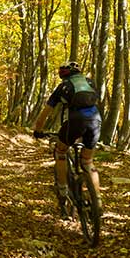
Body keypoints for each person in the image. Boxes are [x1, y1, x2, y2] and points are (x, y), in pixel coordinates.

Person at [32, 60, 102, 216]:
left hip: (75, 121)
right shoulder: (90, 82)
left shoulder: (62, 87)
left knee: (61, 152)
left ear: (63, 74)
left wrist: (38, 130)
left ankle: (62, 191)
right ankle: (97, 200)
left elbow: (46, 112)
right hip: (96, 120)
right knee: (88, 161)